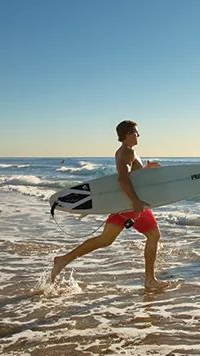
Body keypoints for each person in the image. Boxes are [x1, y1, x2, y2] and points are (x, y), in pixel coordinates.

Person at [51, 120, 169, 290]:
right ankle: (149, 280)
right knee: (154, 236)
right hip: (131, 203)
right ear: (128, 134)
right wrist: (135, 200)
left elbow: (131, 176)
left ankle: (63, 259)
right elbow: (123, 178)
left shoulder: (122, 151)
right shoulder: (128, 152)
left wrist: (146, 169)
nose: (138, 135)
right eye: (136, 132)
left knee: (105, 239)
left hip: (122, 202)